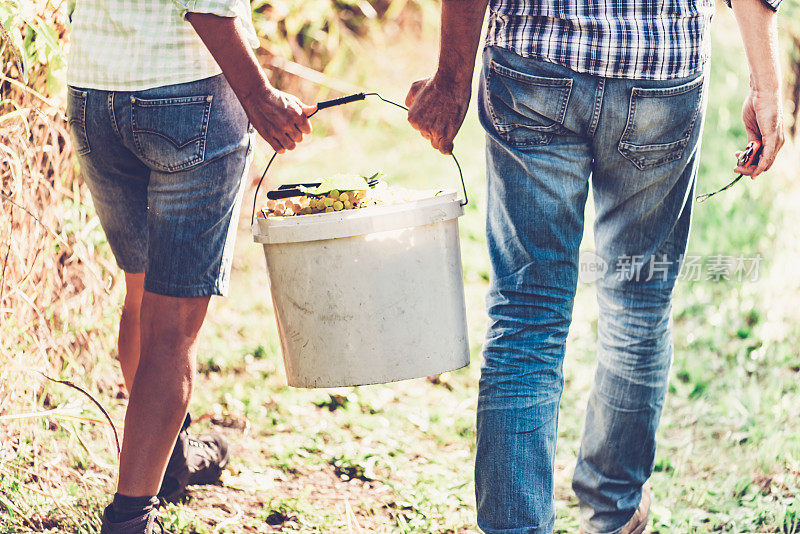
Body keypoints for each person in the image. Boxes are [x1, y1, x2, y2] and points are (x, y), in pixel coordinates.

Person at [406, 0, 785, 530]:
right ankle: (615, 512)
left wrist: (451, 78)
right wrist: (767, 86)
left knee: (527, 312)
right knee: (639, 301)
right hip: (661, 63)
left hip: (534, 59)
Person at [66, 1, 315, 532]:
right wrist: (259, 97)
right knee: (172, 325)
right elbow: (208, 4)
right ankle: (131, 515)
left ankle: (168, 459)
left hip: (93, 93)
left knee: (141, 293)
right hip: (186, 93)